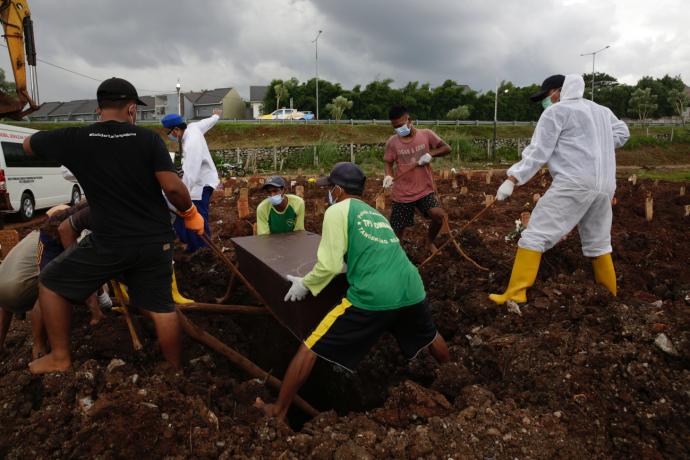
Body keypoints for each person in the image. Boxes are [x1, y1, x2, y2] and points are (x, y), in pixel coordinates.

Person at [22, 77, 204, 374]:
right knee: (162, 307)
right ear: (132, 108)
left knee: (51, 283)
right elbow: (173, 189)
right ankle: (173, 371)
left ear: (99, 110)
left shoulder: (75, 138)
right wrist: (191, 214)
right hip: (154, 241)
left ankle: (60, 357)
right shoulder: (148, 140)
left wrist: (65, 141)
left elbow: (29, 145)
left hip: (109, 241)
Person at [255, 162, 450, 421]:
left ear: (338, 190)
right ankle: (454, 377)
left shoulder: (338, 211)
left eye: (329, 188)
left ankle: (278, 411)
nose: (328, 193)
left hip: (375, 292)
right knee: (429, 334)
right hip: (411, 285)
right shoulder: (374, 214)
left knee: (310, 347)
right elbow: (370, 251)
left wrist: (306, 283)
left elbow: (330, 264)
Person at [489, 74, 629, 305]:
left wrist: (513, 179)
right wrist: (594, 142)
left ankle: (515, 294)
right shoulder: (602, 111)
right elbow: (623, 133)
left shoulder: (556, 112)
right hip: (605, 186)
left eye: (547, 96)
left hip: (574, 182)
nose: (547, 101)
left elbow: (538, 150)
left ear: (558, 91)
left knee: (535, 235)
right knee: (598, 242)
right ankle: (609, 295)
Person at [0, 204, 106, 358]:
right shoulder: (55, 240)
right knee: (49, 288)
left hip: (2, 288)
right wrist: (97, 305)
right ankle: (40, 346)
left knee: (11, 296)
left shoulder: (33, 236)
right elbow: (82, 271)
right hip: (20, 289)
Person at [383, 105, 451, 253]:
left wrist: (431, 154)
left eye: (401, 125)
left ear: (409, 120)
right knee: (398, 229)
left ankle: (429, 241)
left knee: (438, 215)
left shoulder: (426, 134)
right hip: (402, 192)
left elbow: (447, 148)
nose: (398, 129)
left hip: (424, 189)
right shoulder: (392, 142)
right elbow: (388, 162)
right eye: (395, 127)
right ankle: (397, 254)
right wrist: (388, 175)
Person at [162, 109, 221, 253]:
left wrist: (181, 196)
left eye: (169, 132)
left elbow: (191, 173)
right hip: (200, 182)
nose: (170, 136)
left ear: (176, 129)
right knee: (186, 218)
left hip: (200, 185)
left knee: (196, 215)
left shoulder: (191, 142)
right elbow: (206, 123)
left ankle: (202, 250)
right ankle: (192, 246)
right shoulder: (193, 127)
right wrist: (215, 116)